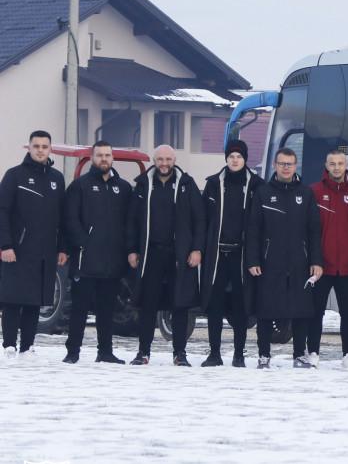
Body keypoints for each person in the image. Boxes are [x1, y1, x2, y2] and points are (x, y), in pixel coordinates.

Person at [245, 147, 323, 368]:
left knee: (300, 311)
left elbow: (314, 230)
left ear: (295, 165)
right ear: (274, 165)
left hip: (300, 261)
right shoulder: (263, 192)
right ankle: (263, 355)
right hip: (270, 262)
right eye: (282, 164)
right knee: (266, 310)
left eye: (289, 164)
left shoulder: (306, 193)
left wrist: (316, 260)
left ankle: (299, 355)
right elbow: (253, 230)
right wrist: (253, 260)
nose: (286, 168)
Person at [128, 144, 203, 366]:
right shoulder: (142, 185)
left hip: (179, 255)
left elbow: (200, 220)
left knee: (180, 305)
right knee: (147, 304)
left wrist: (197, 249)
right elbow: (132, 222)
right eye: (160, 159)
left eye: (168, 159)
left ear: (174, 160)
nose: (164, 164)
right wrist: (132, 249)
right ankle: (143, 352)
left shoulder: (187, 185)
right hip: (150, 255)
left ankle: (180, 353)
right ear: (154, 160)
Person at [62, 140, 130, 364]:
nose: (104, 159)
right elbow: (70, 219)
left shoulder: (123, 188)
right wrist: (84, 243)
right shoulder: (79, 186)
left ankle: (105, 351)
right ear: (93, 158)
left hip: (112, 262)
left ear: (112, 158)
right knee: (79, 309)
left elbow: (130, 222)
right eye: (99, 155)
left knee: (106, 310)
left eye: (107, 155)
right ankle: (73, 352)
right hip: (86, 260)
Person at [0, 131, 66, 357]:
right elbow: (2, 211)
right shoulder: (14, 175)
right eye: (36, 146)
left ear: (50, 149)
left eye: (44, 146)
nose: (40, 150)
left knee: (34, 301)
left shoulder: (57, 178)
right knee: (12, 299)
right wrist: (5, 245)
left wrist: (62, 248)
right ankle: (9, 345)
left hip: (45, 251)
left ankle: (28, 347)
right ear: (28, 148)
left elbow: (62, 217)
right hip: (16, 250)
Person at [199, 139, 263, 368]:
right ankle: (214, 353)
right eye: (231, 156)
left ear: (245, 159)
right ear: (226, 159)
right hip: (217, 255)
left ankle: (239, 354)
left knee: (241, 306)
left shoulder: (256, 186)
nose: (235, 160)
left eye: (239, 156)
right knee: (214, 305)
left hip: (242, 255)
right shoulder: (214, 184)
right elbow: (203, 220)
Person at [309, 148, 348, 369]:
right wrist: (315, 259)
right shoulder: (314, 191)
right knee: (315, 312)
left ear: (346, 165)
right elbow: (310, 230)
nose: (337, 168)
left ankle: (347, 354)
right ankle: (312, 352)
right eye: (332, 164)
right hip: (322, 265)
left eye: (340, 163)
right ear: (326, 165)